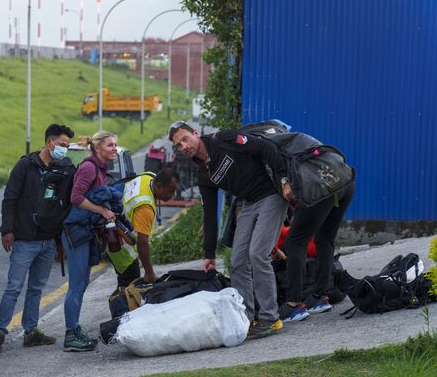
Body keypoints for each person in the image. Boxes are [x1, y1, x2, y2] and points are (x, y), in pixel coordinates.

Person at [168, 121, 289, 338]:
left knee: (258, 254)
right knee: (238, 260)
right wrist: (209, 255)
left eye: (185, 138)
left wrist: (284, 180)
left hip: (272, 193)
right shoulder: (203, 174)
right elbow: (209, 215)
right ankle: (246, 317)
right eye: (178, 145)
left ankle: (271, 318)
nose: (184, 146)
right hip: (249, 203)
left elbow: (265, 147)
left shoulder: (223, 139)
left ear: (195, 133)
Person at [0, 124, 75, 354]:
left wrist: (59, 242)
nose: (65, 150)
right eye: (62, 145)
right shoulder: (26, 165)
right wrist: (7, 229)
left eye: (67, 146)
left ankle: (31, 331)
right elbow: (10, 199)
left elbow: (64, 205)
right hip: (24, 239)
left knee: (37, 288)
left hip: (48, 241)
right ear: (49, 143)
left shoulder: (63, 169)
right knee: (14, 287)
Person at [62, 131, 118, 352]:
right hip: (75, 231)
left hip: (85, 231)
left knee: (82, 282)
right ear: (97, 148)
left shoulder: (101, 169)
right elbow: (76, 198)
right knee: (77, 284)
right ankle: (70, 335)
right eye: (110, 145)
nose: (114, 148)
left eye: (115, 145)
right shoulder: (88, 167)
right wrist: (102, 211)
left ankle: (74, 328)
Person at [278, 175, 355, 322]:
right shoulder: (310, 150)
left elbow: (283, 173)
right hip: (344, 181)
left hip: (318, 185)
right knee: (325, 238)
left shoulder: (272, 151)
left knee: (294, 242)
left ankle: (293, 305)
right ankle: (319, 297)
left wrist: (285, 182)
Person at [110, 168, 181, 287]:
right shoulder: (144, 208)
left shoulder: (149, 177)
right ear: (159, 186)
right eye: (170, 191)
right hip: (120, 245)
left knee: (128, 284)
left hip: (117, 231)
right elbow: (142, 242)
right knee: (129, 285)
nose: (172, 196)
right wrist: (149, 273)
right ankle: (121, 305)